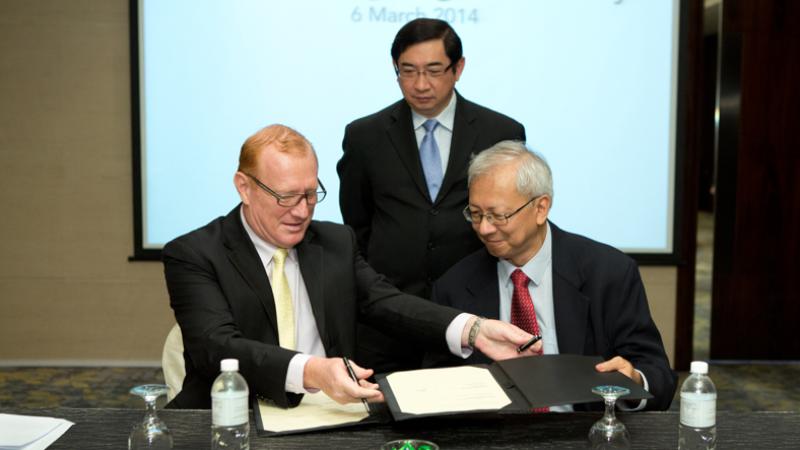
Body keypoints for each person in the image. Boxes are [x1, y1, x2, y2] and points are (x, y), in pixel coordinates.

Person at [162, 124, 538, 409]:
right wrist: (312, 370)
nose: (301, 211)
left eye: (311, 194)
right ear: (244, 187)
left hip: (330, 414)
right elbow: (217, 346)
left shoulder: (334, 243)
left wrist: (473, 330)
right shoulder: (195, 253)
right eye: (286, 197)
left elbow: (386, 302)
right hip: (230, 416)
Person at [424, 140, 677, 411]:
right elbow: (434, 384)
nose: (484, 228)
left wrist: (633, 381)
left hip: (583, 428)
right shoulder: (454, 286)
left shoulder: (608, 273)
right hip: (494, 429)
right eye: (476, 214)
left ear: (541, 208)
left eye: (498, 215)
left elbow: (658, 376)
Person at [338, 18, 526, 372]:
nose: (420, 84)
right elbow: (357, 224)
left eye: (434, 71)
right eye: (408, 71)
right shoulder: (365, 136)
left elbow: (514, 224)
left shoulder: (500, 132)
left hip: (475, 316)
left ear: (458, 68)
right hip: (388, 320)